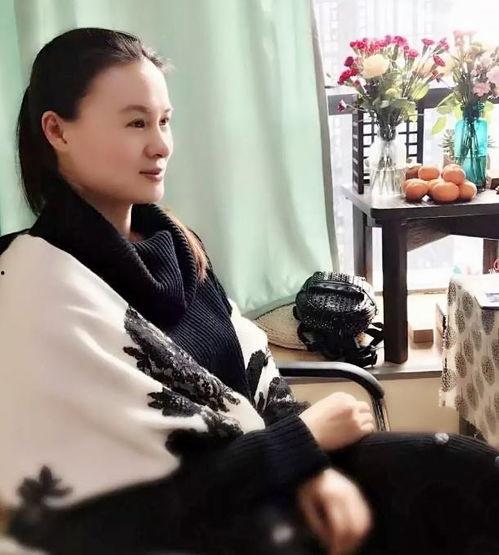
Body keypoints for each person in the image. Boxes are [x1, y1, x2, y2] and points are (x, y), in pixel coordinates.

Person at [0, 27, 498, 555]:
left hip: (262, 474)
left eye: (165, 121)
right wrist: (302, 442)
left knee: (459, 472)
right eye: (135, 123)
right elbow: (124, 509)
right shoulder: (34, 289)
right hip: (189, 528)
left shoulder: (177, 245)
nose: (160, 145)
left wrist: (310, 469)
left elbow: (250, 376)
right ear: (57, 130)